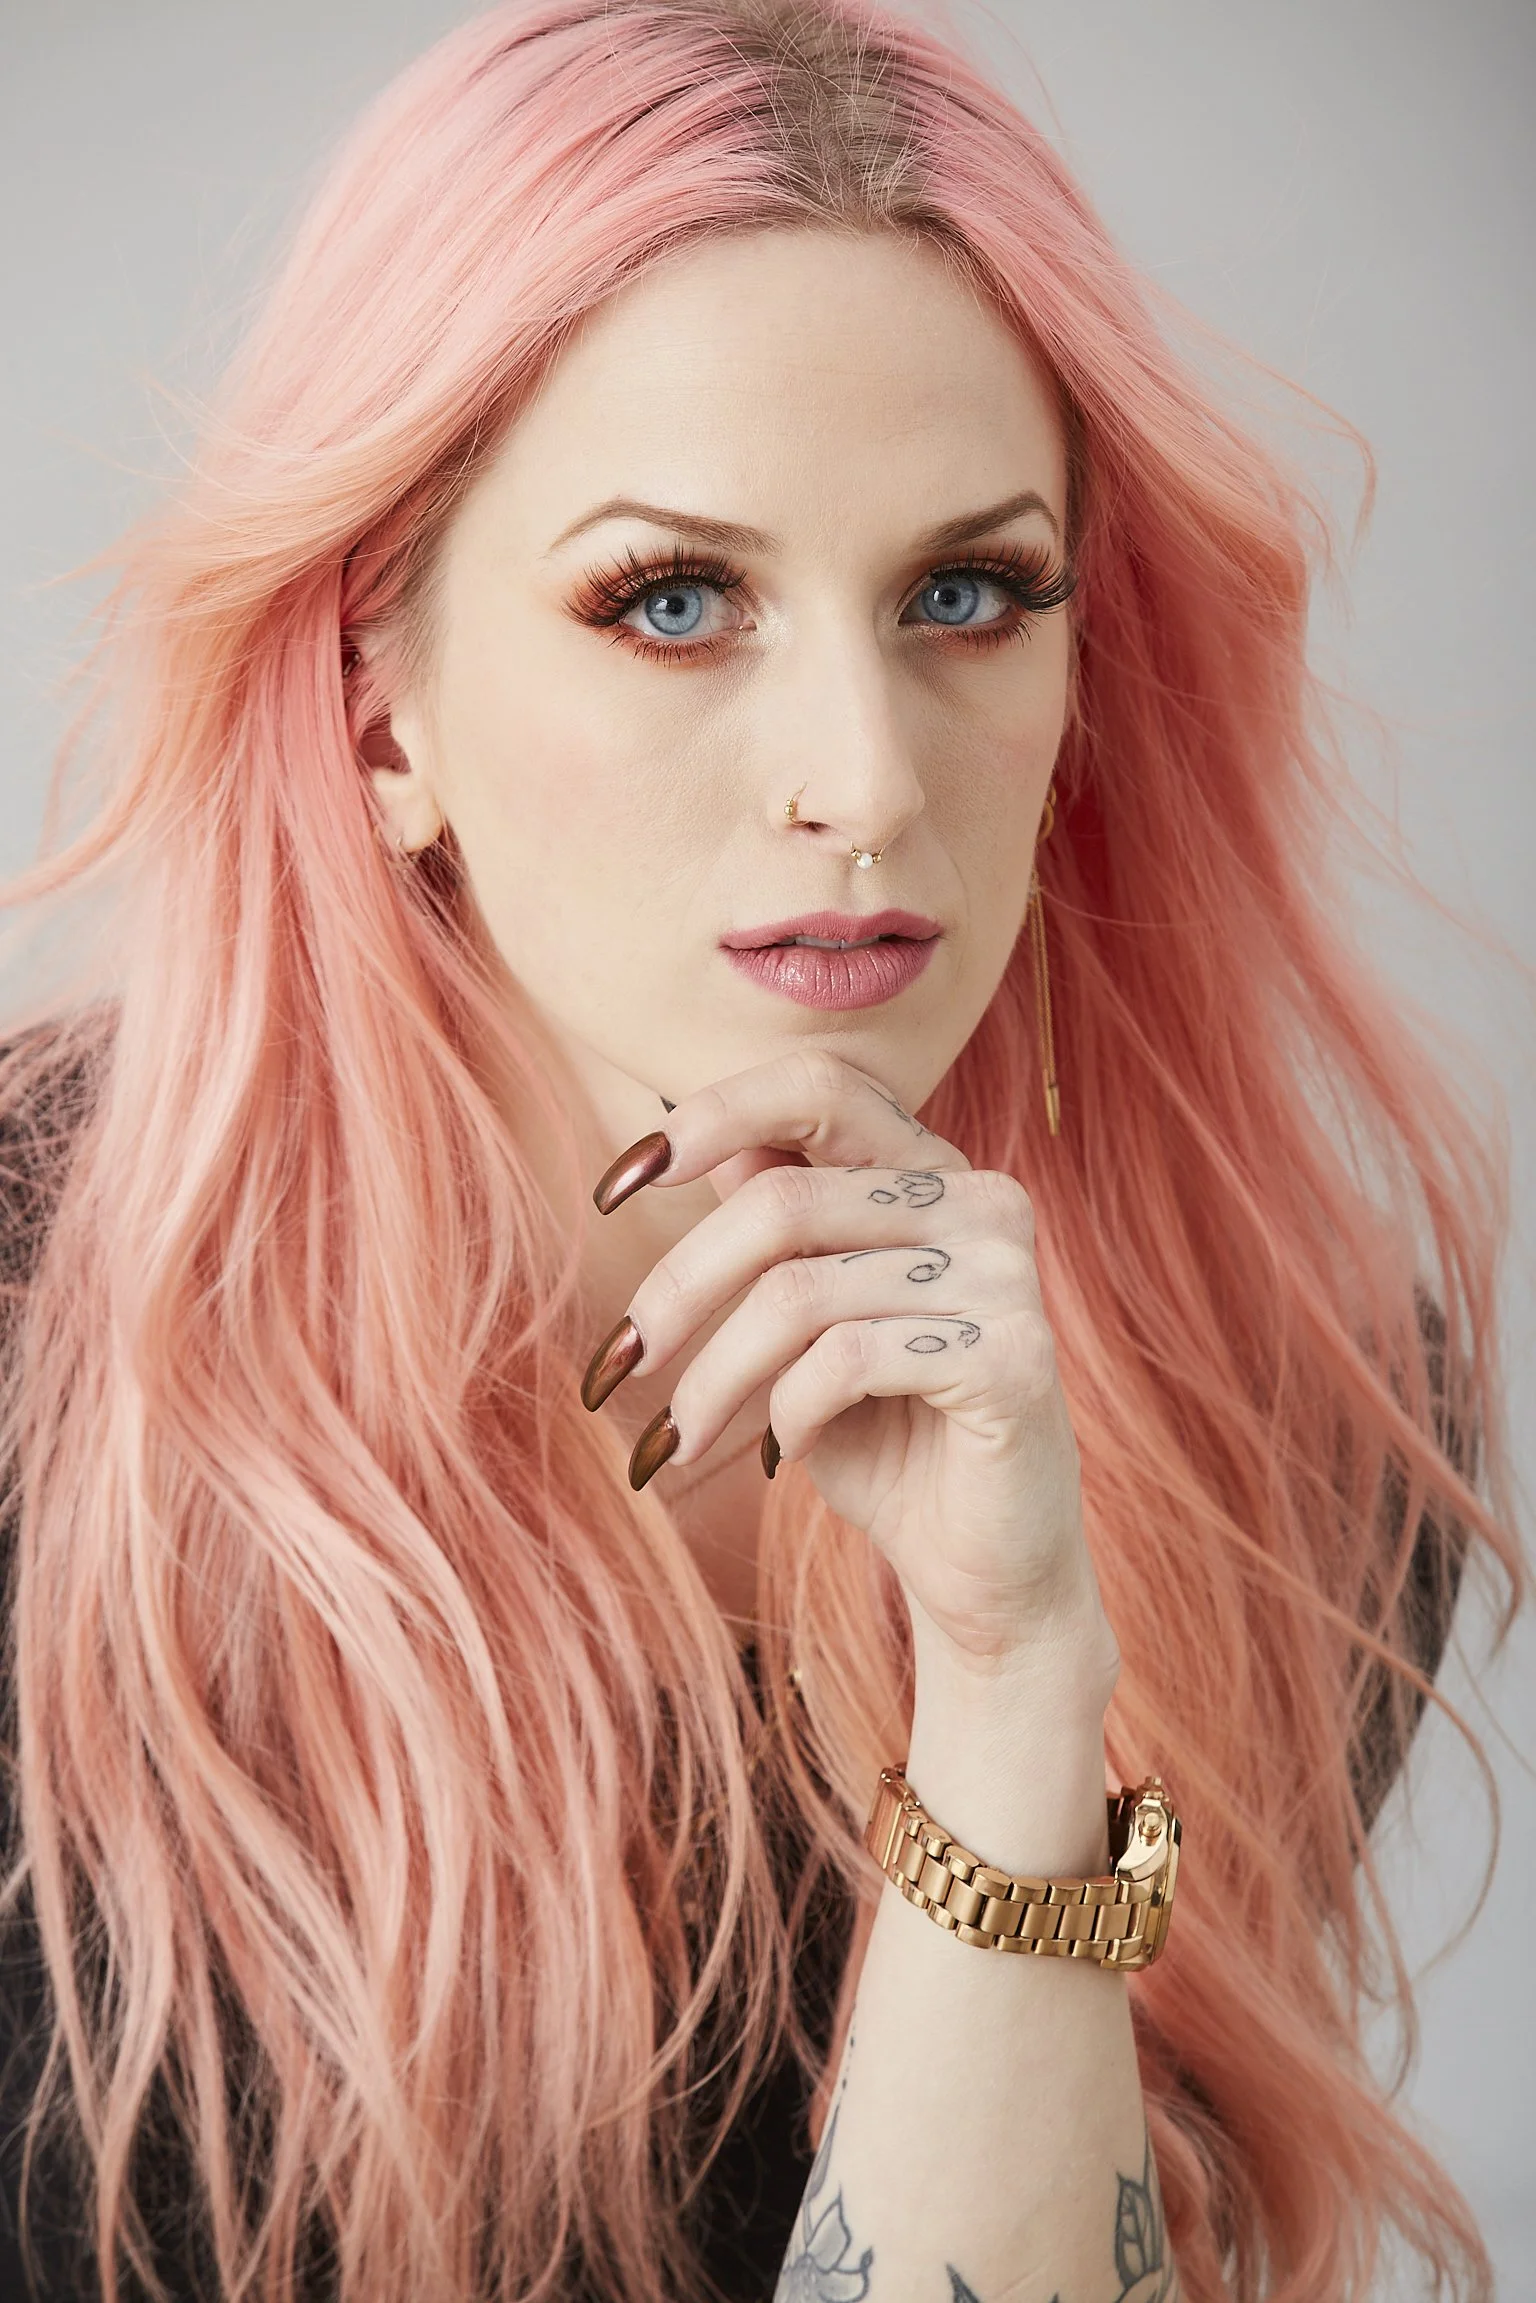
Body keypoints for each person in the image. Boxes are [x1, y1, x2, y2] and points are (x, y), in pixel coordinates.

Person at [0, 1, 1522, 2297]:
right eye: (673, 601)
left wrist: (1016, 1682)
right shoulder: (38, 1369)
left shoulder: (1293, 1418)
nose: (869, 774)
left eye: (966, 594)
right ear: (375, 696)